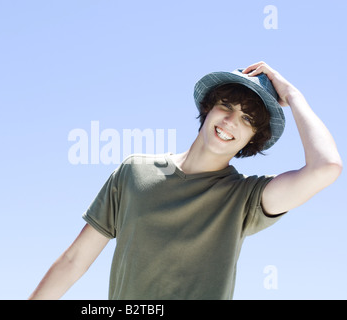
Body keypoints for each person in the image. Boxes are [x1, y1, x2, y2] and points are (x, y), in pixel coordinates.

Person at [29, 62, 342, 300]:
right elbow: (74, 260)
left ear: (253, 139)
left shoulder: (246, 198)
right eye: (227, 107)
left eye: (247, 119)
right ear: (208, 109)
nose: (231, 121)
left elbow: (326, 167)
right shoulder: (134, 172)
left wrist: (293, 95)